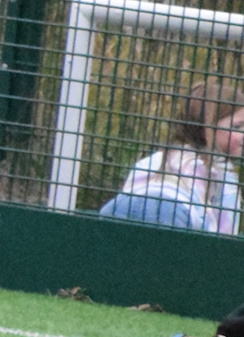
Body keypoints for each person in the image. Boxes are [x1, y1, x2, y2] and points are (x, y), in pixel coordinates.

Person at [97, 80, 244, 235]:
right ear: (209, 126)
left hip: (120, 207)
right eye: (237, 127)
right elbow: (222, 238)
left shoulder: (160, 157)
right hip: (175, 213)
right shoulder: (221, 171)